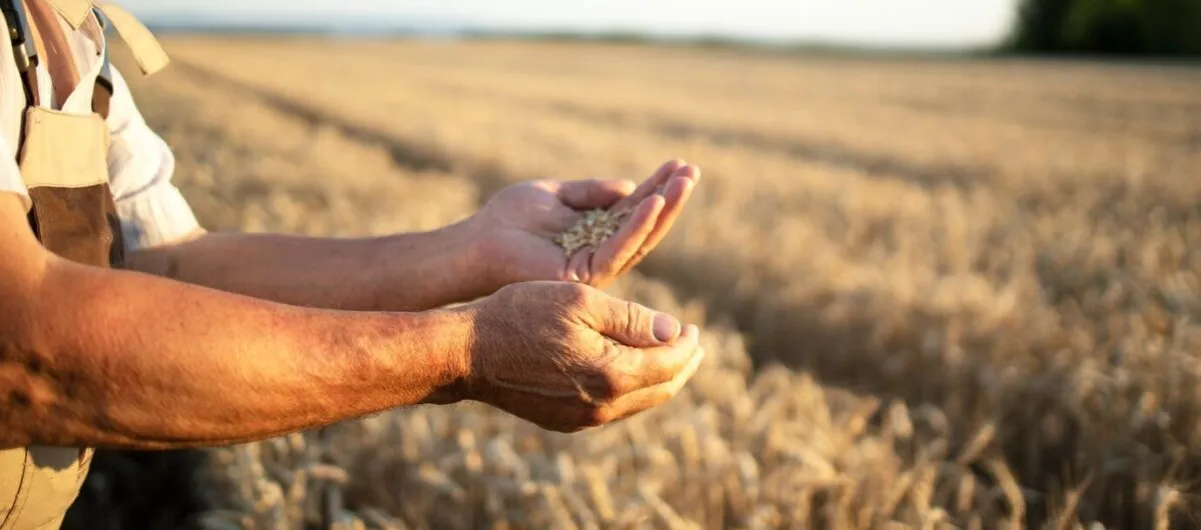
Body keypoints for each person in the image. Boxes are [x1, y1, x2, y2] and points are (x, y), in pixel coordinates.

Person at [0, 1, 705, 528]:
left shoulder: (71, 28)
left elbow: (166, 265)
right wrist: (467, 352)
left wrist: (471, 248)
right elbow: (23, 347)